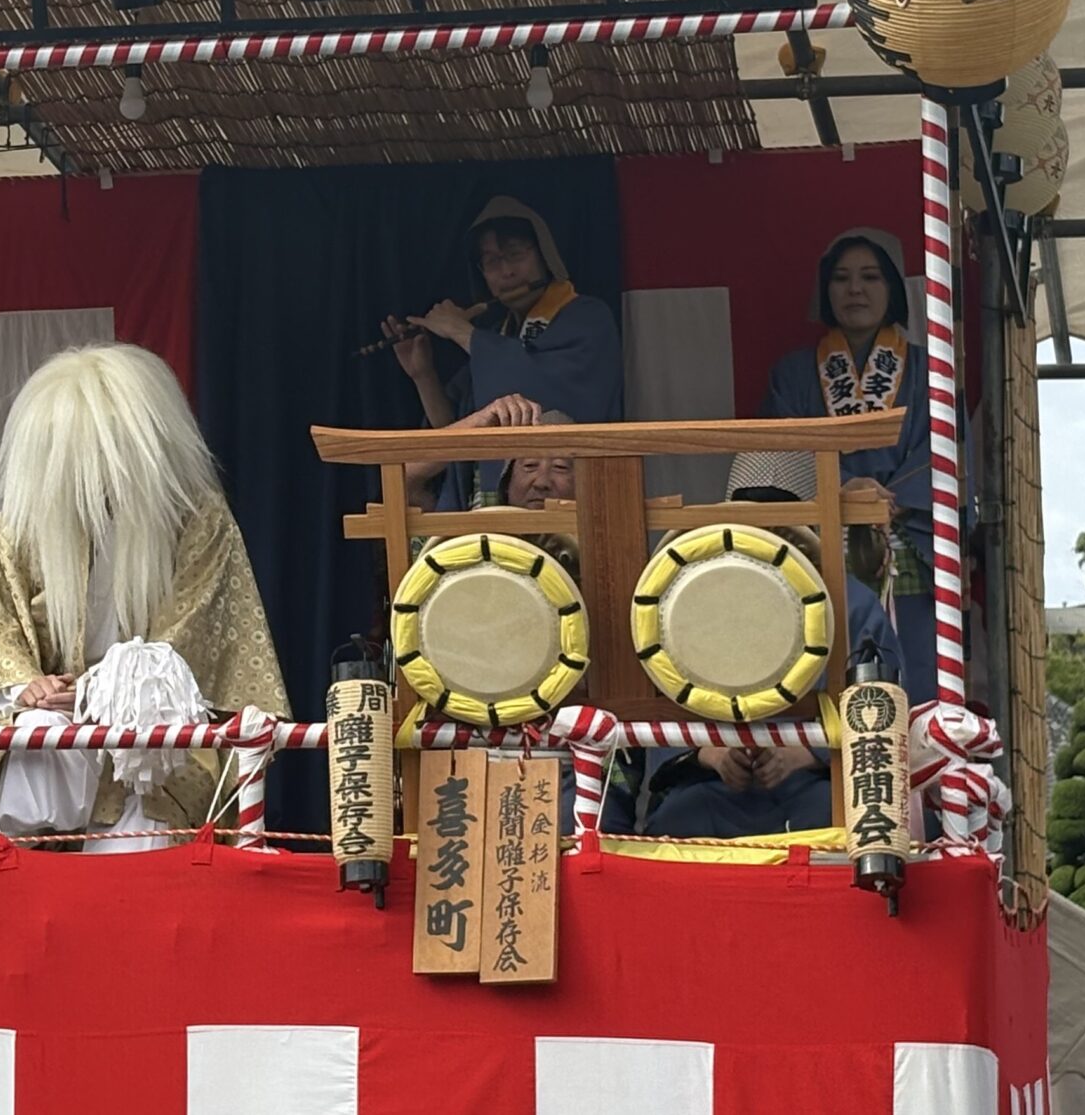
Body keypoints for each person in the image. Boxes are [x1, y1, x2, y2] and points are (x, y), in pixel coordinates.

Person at [0, 343, 291, 847]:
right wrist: (26, 685)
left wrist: (101, 693)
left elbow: (193, 636)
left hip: (153, 729)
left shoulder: (194, 520)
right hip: (55, 721)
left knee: (144, 820)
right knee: (36, 740)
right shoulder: (18, 529)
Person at [749, 229, 941, 704]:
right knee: (823, 663)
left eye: (871, 277)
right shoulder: (793, 373)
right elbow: (779, 455)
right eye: (841, 278)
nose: (855, 289)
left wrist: (887, 501)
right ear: (825, 289)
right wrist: (842, 489)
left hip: (904, 535)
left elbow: (944, 451)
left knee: (915, 673)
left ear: (893, 288)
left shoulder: (930, 370)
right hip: (820, 536)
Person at [599, 566, 902, 838]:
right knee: (679, 821)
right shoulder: (681, 595)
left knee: (838, 823)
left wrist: (808, 753)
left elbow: (884, 710)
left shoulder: (849, 601)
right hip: (705, 784)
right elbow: (657, 698)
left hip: (815, 781)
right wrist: (708, 753)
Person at [382, 197, 622, 509]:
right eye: (492, 262)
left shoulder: (587, 318)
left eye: (515, 255)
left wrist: (461, 332)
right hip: (490, 508)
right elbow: (462, 432)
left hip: (565, 504)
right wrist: (423, 374)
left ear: (543, 256)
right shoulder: (499, 335)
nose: (506, 271)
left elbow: (547, 394)